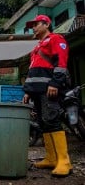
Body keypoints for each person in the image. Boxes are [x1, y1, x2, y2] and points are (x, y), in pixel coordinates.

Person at [23, 15, 72, 177]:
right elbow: (34, 71)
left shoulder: (55, 39)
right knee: (43, 123)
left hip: (49, 89)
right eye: (33, 26)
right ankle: (51, 158)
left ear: (46, 24)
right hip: (37, 91)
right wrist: (28, 92)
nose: (34, 28)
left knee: (52, 120)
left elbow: (61, 62)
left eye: (36, 25)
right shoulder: (37, 47)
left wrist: (55, 83)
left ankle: (64, 161)